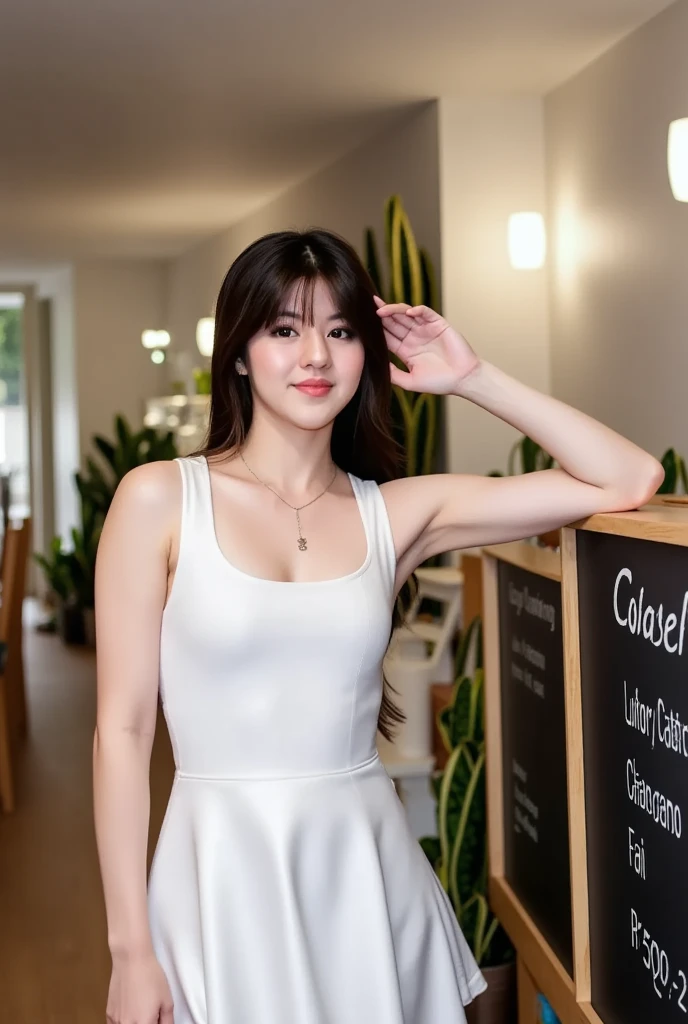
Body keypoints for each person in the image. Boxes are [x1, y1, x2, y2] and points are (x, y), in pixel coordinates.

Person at [93, 228, 663, 1024]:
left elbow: (629, 476)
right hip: (217, 874)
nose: (315, 356)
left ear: (367, 352)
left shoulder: (394, 514)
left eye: (341, 330)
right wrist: (130, 949)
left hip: (364, 871)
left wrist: (472, 377)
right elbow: (120, 732)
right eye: (284, 329)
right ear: (240, 354)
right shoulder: (158, 499)